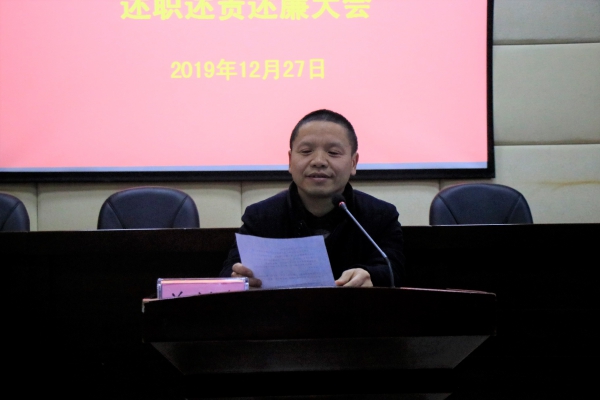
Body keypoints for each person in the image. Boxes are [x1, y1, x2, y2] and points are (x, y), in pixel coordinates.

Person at [220, 109, 405, 287]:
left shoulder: (380, 216)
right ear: (290, 160)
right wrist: (240, 279)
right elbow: (229, 274)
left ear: (353, 163)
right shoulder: (261, 217)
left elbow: (394, 271)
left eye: (333, 153)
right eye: (306, 151)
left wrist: (371, 275)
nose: (319, 161)